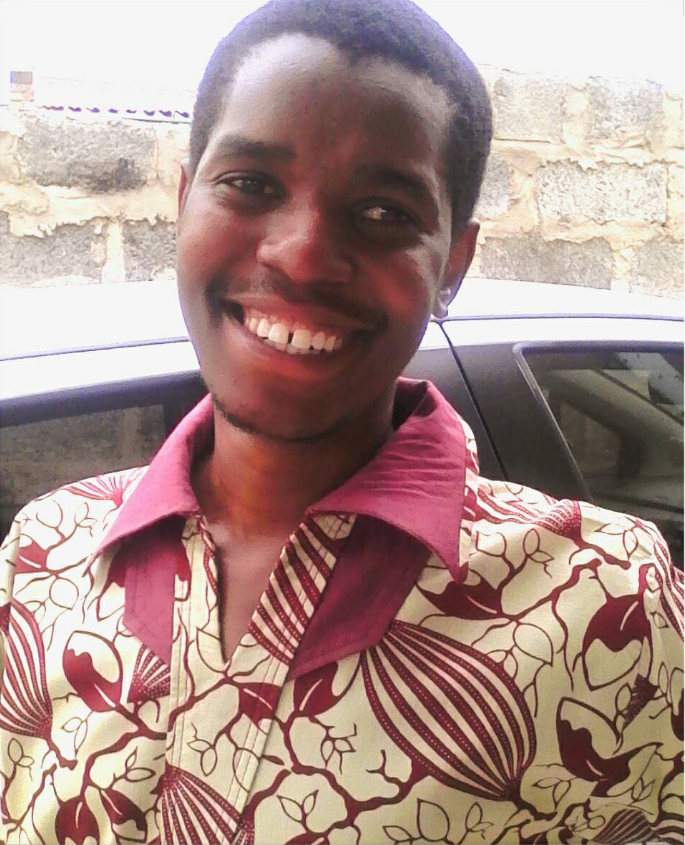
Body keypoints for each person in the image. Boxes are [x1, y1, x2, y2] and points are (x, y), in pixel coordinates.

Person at [0, 0, 682, 842]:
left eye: (385, 213)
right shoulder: (45, 553)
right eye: (250, 184)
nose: (302, 254)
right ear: (182, 203)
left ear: (451, 267)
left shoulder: (605, 599)